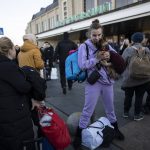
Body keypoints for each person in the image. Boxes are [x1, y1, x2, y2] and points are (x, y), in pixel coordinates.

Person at [73, 19, 124, 149]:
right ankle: (78, 136)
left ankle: (116, 129)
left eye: (99, 35)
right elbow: (82, 65)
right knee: (88, 110)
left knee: (110, 108)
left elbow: (116, 57)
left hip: (108, 82)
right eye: (94, 35)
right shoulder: (84, 46)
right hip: (94, 82)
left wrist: (109, 56)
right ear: (89, 34)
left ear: (102, 34)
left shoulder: (106, 44)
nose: (97, 37)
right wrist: (96, 59)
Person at [0, 37, 35, 150]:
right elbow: (24, 87)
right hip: (14, 114)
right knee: (20, 141)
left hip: (3, 112)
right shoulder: (8, 66)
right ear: (10, 50)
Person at [122, 32, 150, 120]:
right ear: (142, 40)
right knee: (139, 97)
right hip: (144, 79)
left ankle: (126, 112)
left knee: (128, 96)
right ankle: (137, 115)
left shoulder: (128, 50)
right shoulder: (147, 50)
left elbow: (123, 63)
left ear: (132, 40)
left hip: (130, 79)